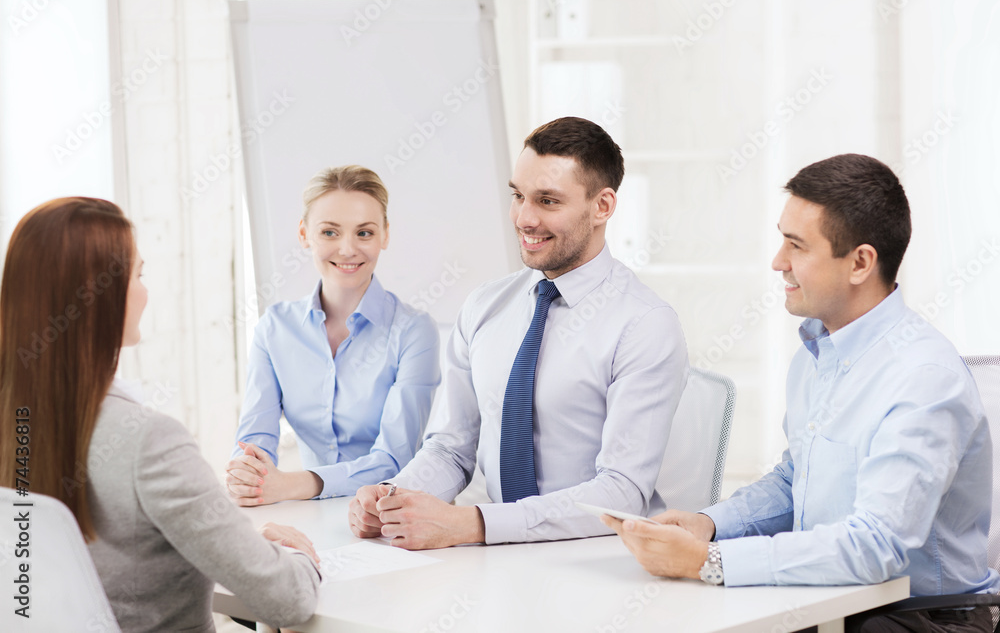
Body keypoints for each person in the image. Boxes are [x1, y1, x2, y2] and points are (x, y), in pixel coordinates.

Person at [603, 154, 999, 632]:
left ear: (860, 262)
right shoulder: (818, 350)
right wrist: (709, 526)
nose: (778, 262)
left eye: (796, 246)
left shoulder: (924, 378)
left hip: (921, 619)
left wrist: (710, 561)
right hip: (837, 601)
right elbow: (798, 478)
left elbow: (875, 547)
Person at [348, 116, 689, 549]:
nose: (525, 218)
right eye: (518, 196)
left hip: (597, 558)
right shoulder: (486, 306)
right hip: (496, 557)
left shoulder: (644, 324)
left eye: (548, 201)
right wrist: (395, 497)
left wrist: (471, 525)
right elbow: (451, 448)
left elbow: (622, 492)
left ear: (602, 206)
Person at [0, 197, 321, 631]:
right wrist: (298, 556)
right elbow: (288, 601)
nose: (146, 291)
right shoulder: (147, 441)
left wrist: (238, 548)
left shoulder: (14, 423)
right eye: (139, 274)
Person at [225, 165, 440, 505]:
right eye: (329, 233)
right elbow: (254, 440)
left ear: (385, 235)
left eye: (364, 233)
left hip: (393, 514)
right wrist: (246, 474)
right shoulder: (275, 328)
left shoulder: (414, 331)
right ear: (303, 234)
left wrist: (295, 485)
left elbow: (393, 459)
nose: (347, 249)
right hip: (311, 515)